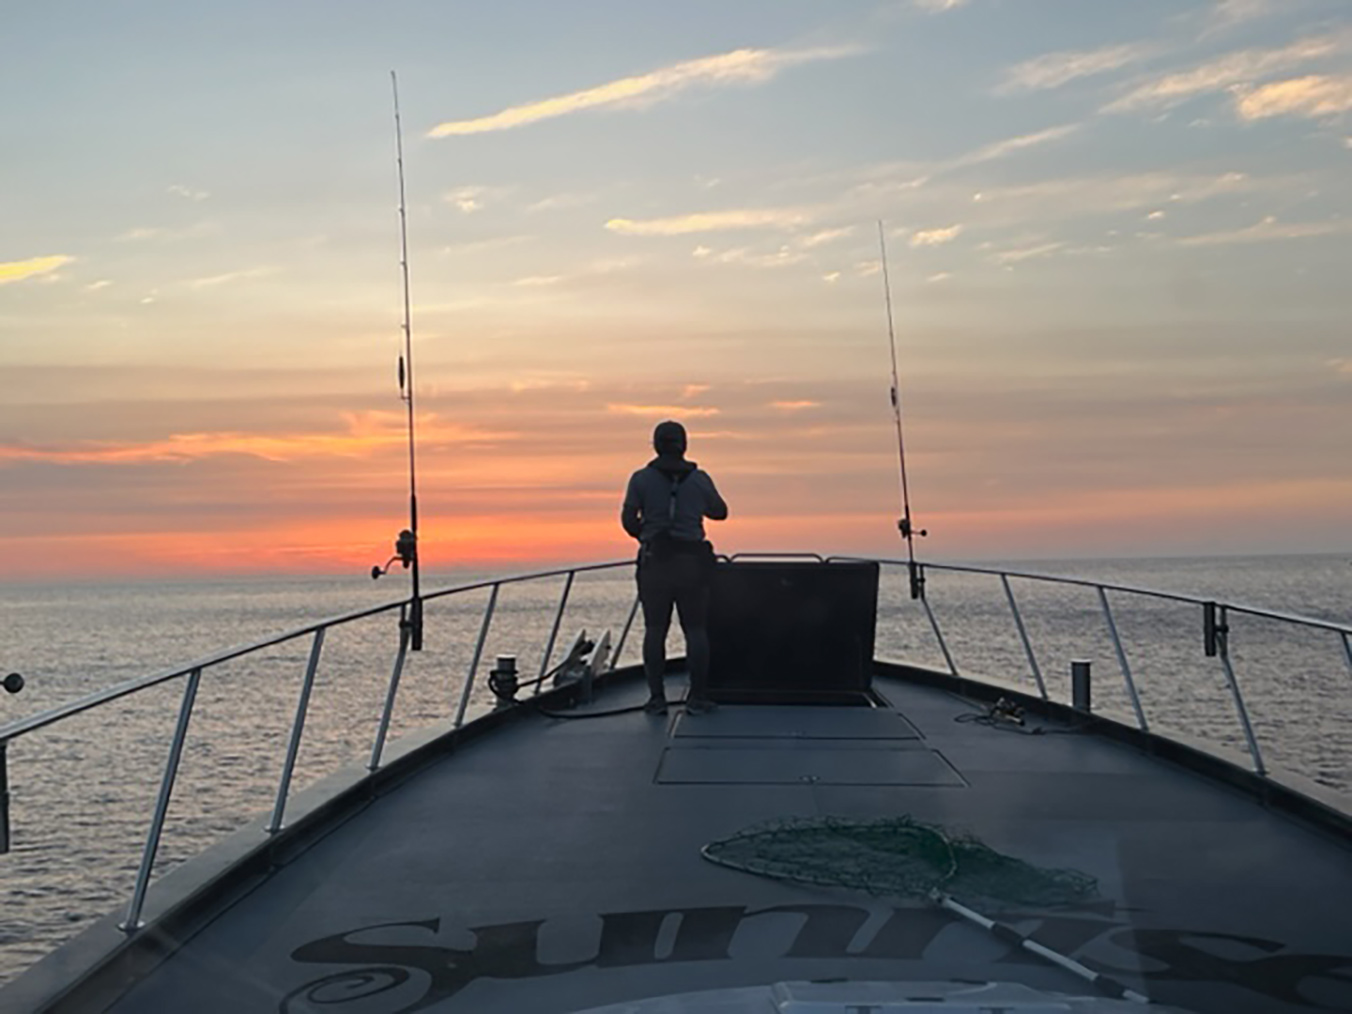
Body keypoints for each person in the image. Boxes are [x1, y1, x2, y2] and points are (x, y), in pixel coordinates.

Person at [621, 420, 728, 716]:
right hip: (692, 564)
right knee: (696, 629)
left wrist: (647, 534)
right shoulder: (699, 479)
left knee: (655, 630)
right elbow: (720, 512)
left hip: (656, 563)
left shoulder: (640, 479)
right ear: (685, 445)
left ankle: (656, 699)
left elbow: (629, 520)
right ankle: (699, 697)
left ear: (656, 445)